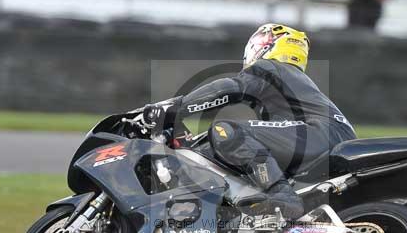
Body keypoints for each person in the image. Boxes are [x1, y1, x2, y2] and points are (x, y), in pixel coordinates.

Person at [142, 23, 356, 219]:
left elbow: (229, 89)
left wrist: (177, 107)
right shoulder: (291, 82)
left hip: (321, 133)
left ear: (264, 45)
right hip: (328, 138)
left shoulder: (269, 68)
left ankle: (283, 197)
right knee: (226, 150)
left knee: (226, 131)